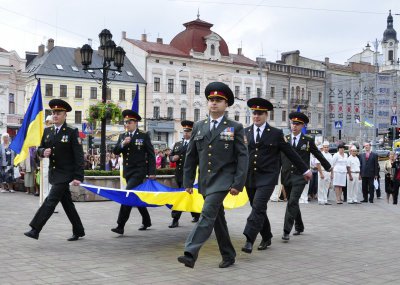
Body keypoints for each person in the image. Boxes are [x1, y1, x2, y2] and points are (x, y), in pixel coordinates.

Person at [177, 82, 248, 269]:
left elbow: (243, 158)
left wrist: (238, 184)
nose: (214, 103)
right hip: (206, 181)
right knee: (217, 218)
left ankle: (190, 253)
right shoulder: (199, 127)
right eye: (211, 100)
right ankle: (229, 254)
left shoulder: (235, 127)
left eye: (218, 100)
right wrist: (188, 181)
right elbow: (191, 157)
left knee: (207, 214)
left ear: (226, 104)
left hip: (224, 180)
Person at [241, 98, 310, 254]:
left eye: (259, 114)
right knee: (257, 209)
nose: (256, 116)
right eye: (254, 113)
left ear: (266, 115)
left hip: (267, 178)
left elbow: (290, 153)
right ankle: (266, 236)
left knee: (258, 206)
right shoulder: (245, 132)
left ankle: (249, 239)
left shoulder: (276, 133)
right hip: (250, 177)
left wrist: (305, 170)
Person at [24, 99, 85, 241]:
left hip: (65, 174)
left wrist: (78, 176)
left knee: (50, 201)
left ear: (65, 115)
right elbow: (39, 148)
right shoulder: (48, 131)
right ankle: (79, 230)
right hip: (54, 173)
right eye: (53, 113)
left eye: (58, 113)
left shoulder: (71, 132)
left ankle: (35, 229)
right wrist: (43, 151)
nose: (55, 115)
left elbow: (79, 157)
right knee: (67, 204)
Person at [281, 112, 331, 241]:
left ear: (302, 125)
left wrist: (328, 166)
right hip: (286, 175)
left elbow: (317, 154)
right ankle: (299, 225)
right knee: (293, 202)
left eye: (297, 124)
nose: (294, 126)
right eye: (293, 123)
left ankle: (286, 230)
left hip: (300, 176)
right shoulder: (285, 138)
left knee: (292, 201)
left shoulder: (308, 140)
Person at [111, 109, 156, 235]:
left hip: (139, 171)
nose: (127, 124)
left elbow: (151, 154)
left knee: (128, 195)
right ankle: (146, 221)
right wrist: (123, 144)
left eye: (129, 122)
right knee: (136, 196)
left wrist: (151, 172)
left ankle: (120, 225)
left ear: (135, 123)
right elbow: (115, 152)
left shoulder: (143, 135)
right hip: (128, 172)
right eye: (125, 122)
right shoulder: (122, 136)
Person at [168, 120, 200, 228]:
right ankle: (196, 214)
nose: (186, 133)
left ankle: (175, 219)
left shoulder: (196, 143)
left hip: (190, 175)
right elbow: (170, 156)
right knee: (187, 196)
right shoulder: (177, 144)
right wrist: (173, 158)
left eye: (188, 131)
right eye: (185, 131)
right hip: (178, 174)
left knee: (180, 197)